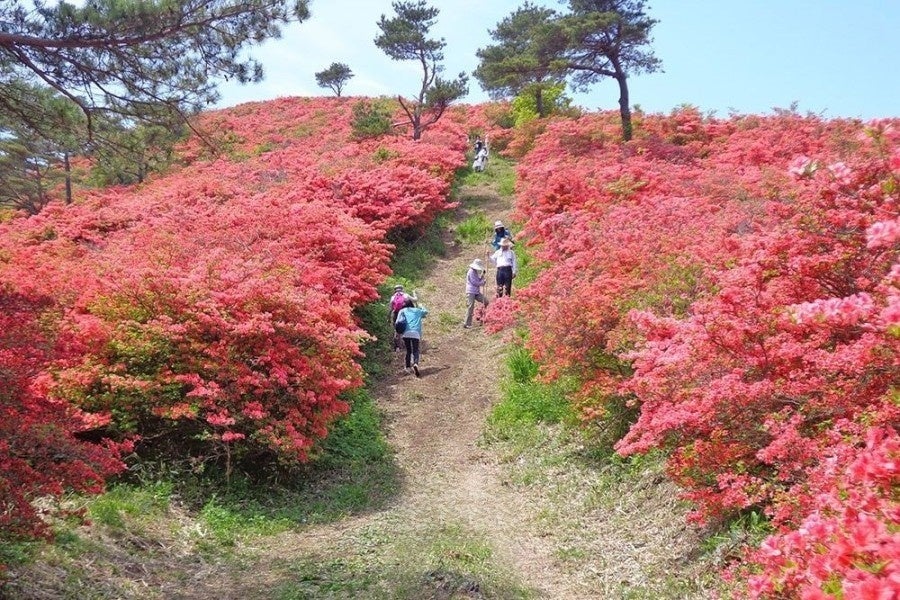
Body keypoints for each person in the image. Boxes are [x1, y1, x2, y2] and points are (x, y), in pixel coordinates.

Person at [395, 298, 428, 377]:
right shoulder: (417, 311)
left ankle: (407, 367)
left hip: (406, 333)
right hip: (416, 333)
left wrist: (398, 333)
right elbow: (426, 312)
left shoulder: (402, 311)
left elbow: (397, 322)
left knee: (408, 350)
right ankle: (415, 363)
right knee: (415, 349)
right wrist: (421, 306)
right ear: (412, 304)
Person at [389, 284, 416, 351]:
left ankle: (397, 347)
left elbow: (391, 309)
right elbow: (415, 300)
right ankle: (407, 345)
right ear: (402, 289)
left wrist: (388, 316)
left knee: (397, 330)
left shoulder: (393, 297)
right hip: (405, 315)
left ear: (395, 290)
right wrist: (414, 293)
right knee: (407, 328)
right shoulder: (406, 295)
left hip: (396, 315)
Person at [463, 258, 489, 328]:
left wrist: (482, 276)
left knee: (486, 301)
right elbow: (474, 282)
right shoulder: (471, 271)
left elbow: (478, 280)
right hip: (471, 292)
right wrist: (482, 282)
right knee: (470, 307)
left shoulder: (475, 272)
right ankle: (467, 323)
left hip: (476, 292)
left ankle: (481, 317)